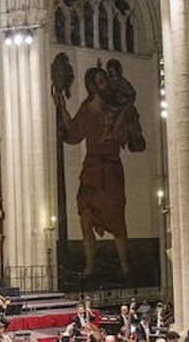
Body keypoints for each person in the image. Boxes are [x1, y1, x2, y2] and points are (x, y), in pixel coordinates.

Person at [52, 63, 145, 276]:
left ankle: (125, 266)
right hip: (92, 168)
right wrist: (62, 107)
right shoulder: (86, 110)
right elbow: (74, 133)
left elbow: (135, 138)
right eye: (102, 81)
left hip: (111, 170)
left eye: (106, 80)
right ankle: (90, 267)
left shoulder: (118, 108)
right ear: (93, 86)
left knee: (116, 218)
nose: (107, 85)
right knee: (86, 217)